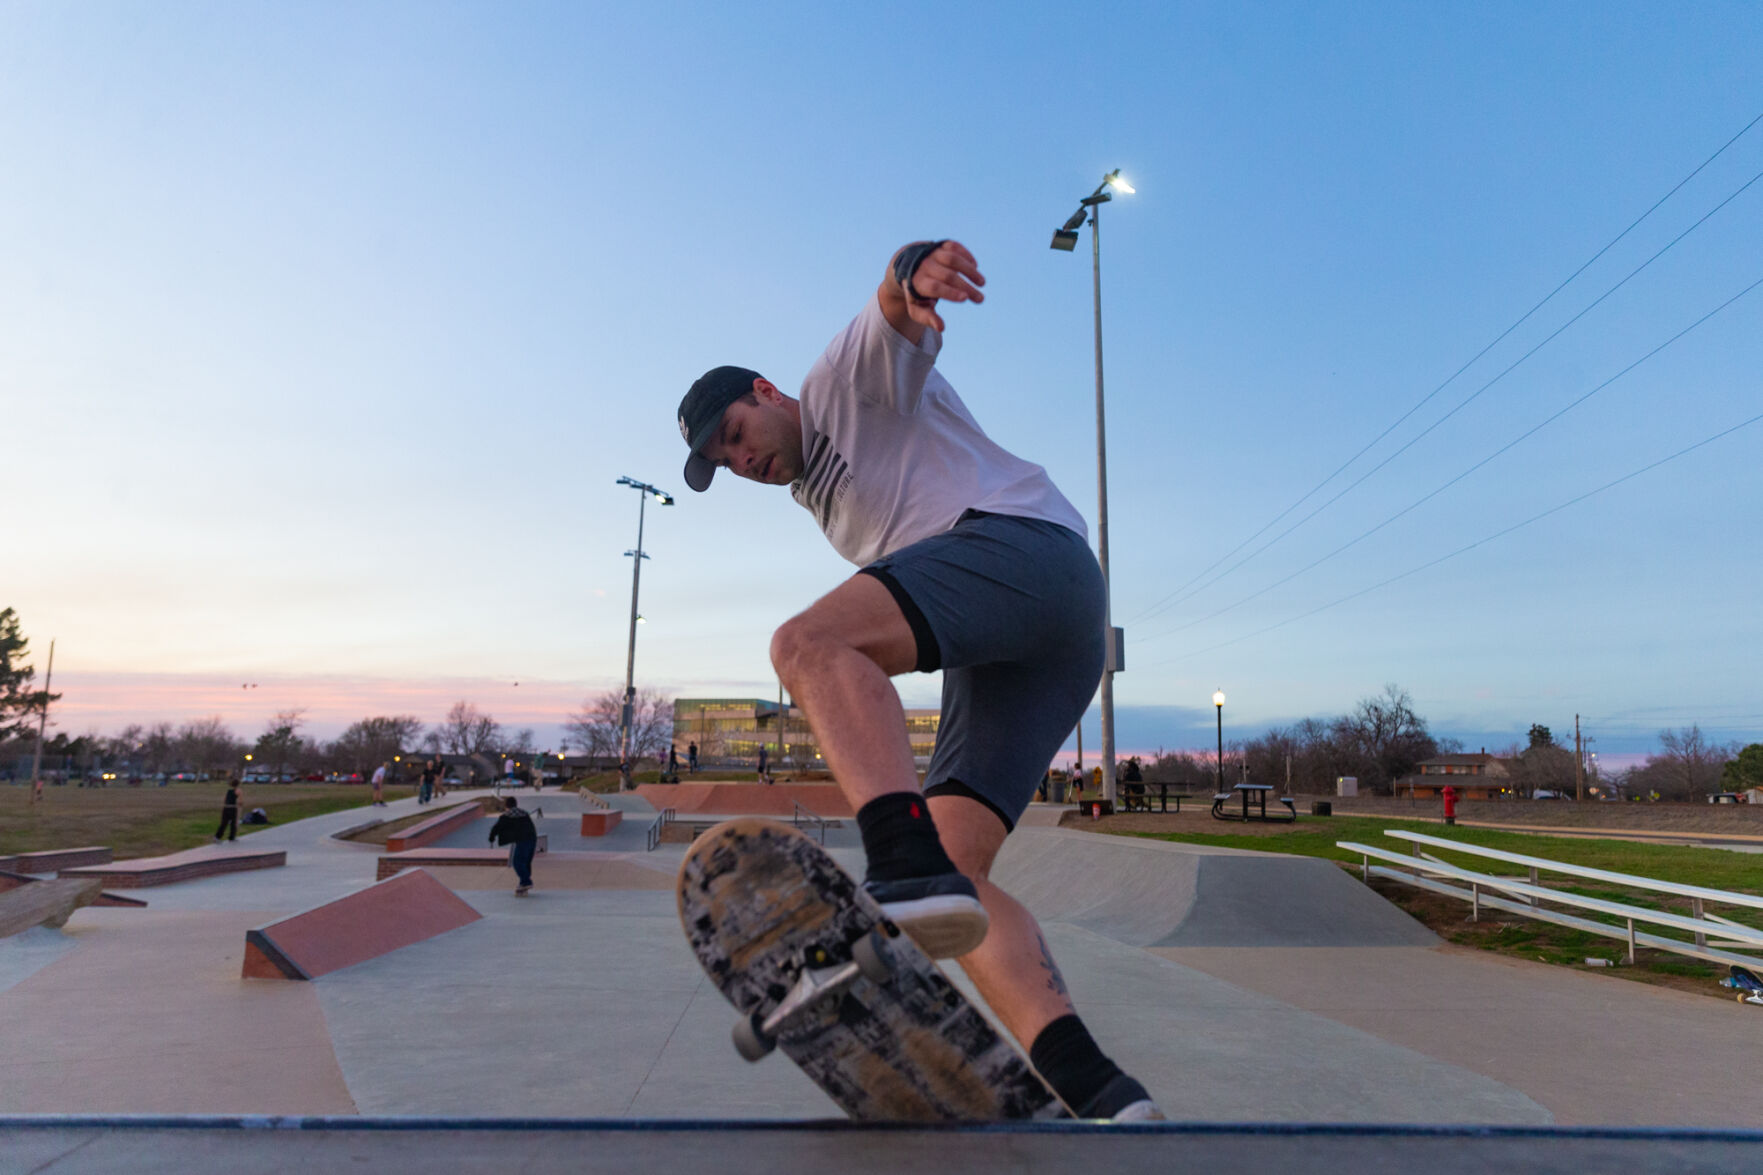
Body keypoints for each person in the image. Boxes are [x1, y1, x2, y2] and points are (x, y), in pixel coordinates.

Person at [676, 238, 1159, 1120]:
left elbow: (890, 313)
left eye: (739, 435)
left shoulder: (838, 388)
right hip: (1039, 649)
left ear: (767, 394)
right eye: (728, 462)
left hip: (1027, 556)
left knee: (806, 646)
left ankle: (897, 865)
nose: (744, 461)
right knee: (961, 870)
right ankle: (1100, 1089)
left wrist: (914, 272)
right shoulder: (817, 498)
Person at [488, 796, 539, 895]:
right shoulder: (524, 813)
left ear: (507, 806)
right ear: (516, 804)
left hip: (522, 840)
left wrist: (491, 838)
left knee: (517, 862)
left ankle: (526, 882)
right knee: (526, 863)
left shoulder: (507, 816)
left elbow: (496, 828)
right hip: (532, 839)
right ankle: (523, 885)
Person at [214, 775, 240, 842]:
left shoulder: (228, 791)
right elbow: (241, 801)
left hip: (226, 808)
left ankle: (217, 837)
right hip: (233, 808)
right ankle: (232, 837)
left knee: (224, 823)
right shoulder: (238, 790)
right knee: (233, 823)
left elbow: (225, 799)